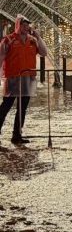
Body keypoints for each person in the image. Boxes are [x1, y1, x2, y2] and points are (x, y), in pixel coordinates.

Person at [0, 15, 48, 144]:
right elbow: (1, 58)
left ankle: (17, 135)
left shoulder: (33, 40)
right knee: (5, 107)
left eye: (28, 25)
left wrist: (38, 37)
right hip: (13, 78)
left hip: (29, 79)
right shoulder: (8, 40)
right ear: (18, 25)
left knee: (22, 109)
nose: (26, 28)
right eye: (24, 25)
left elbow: (44, 53)